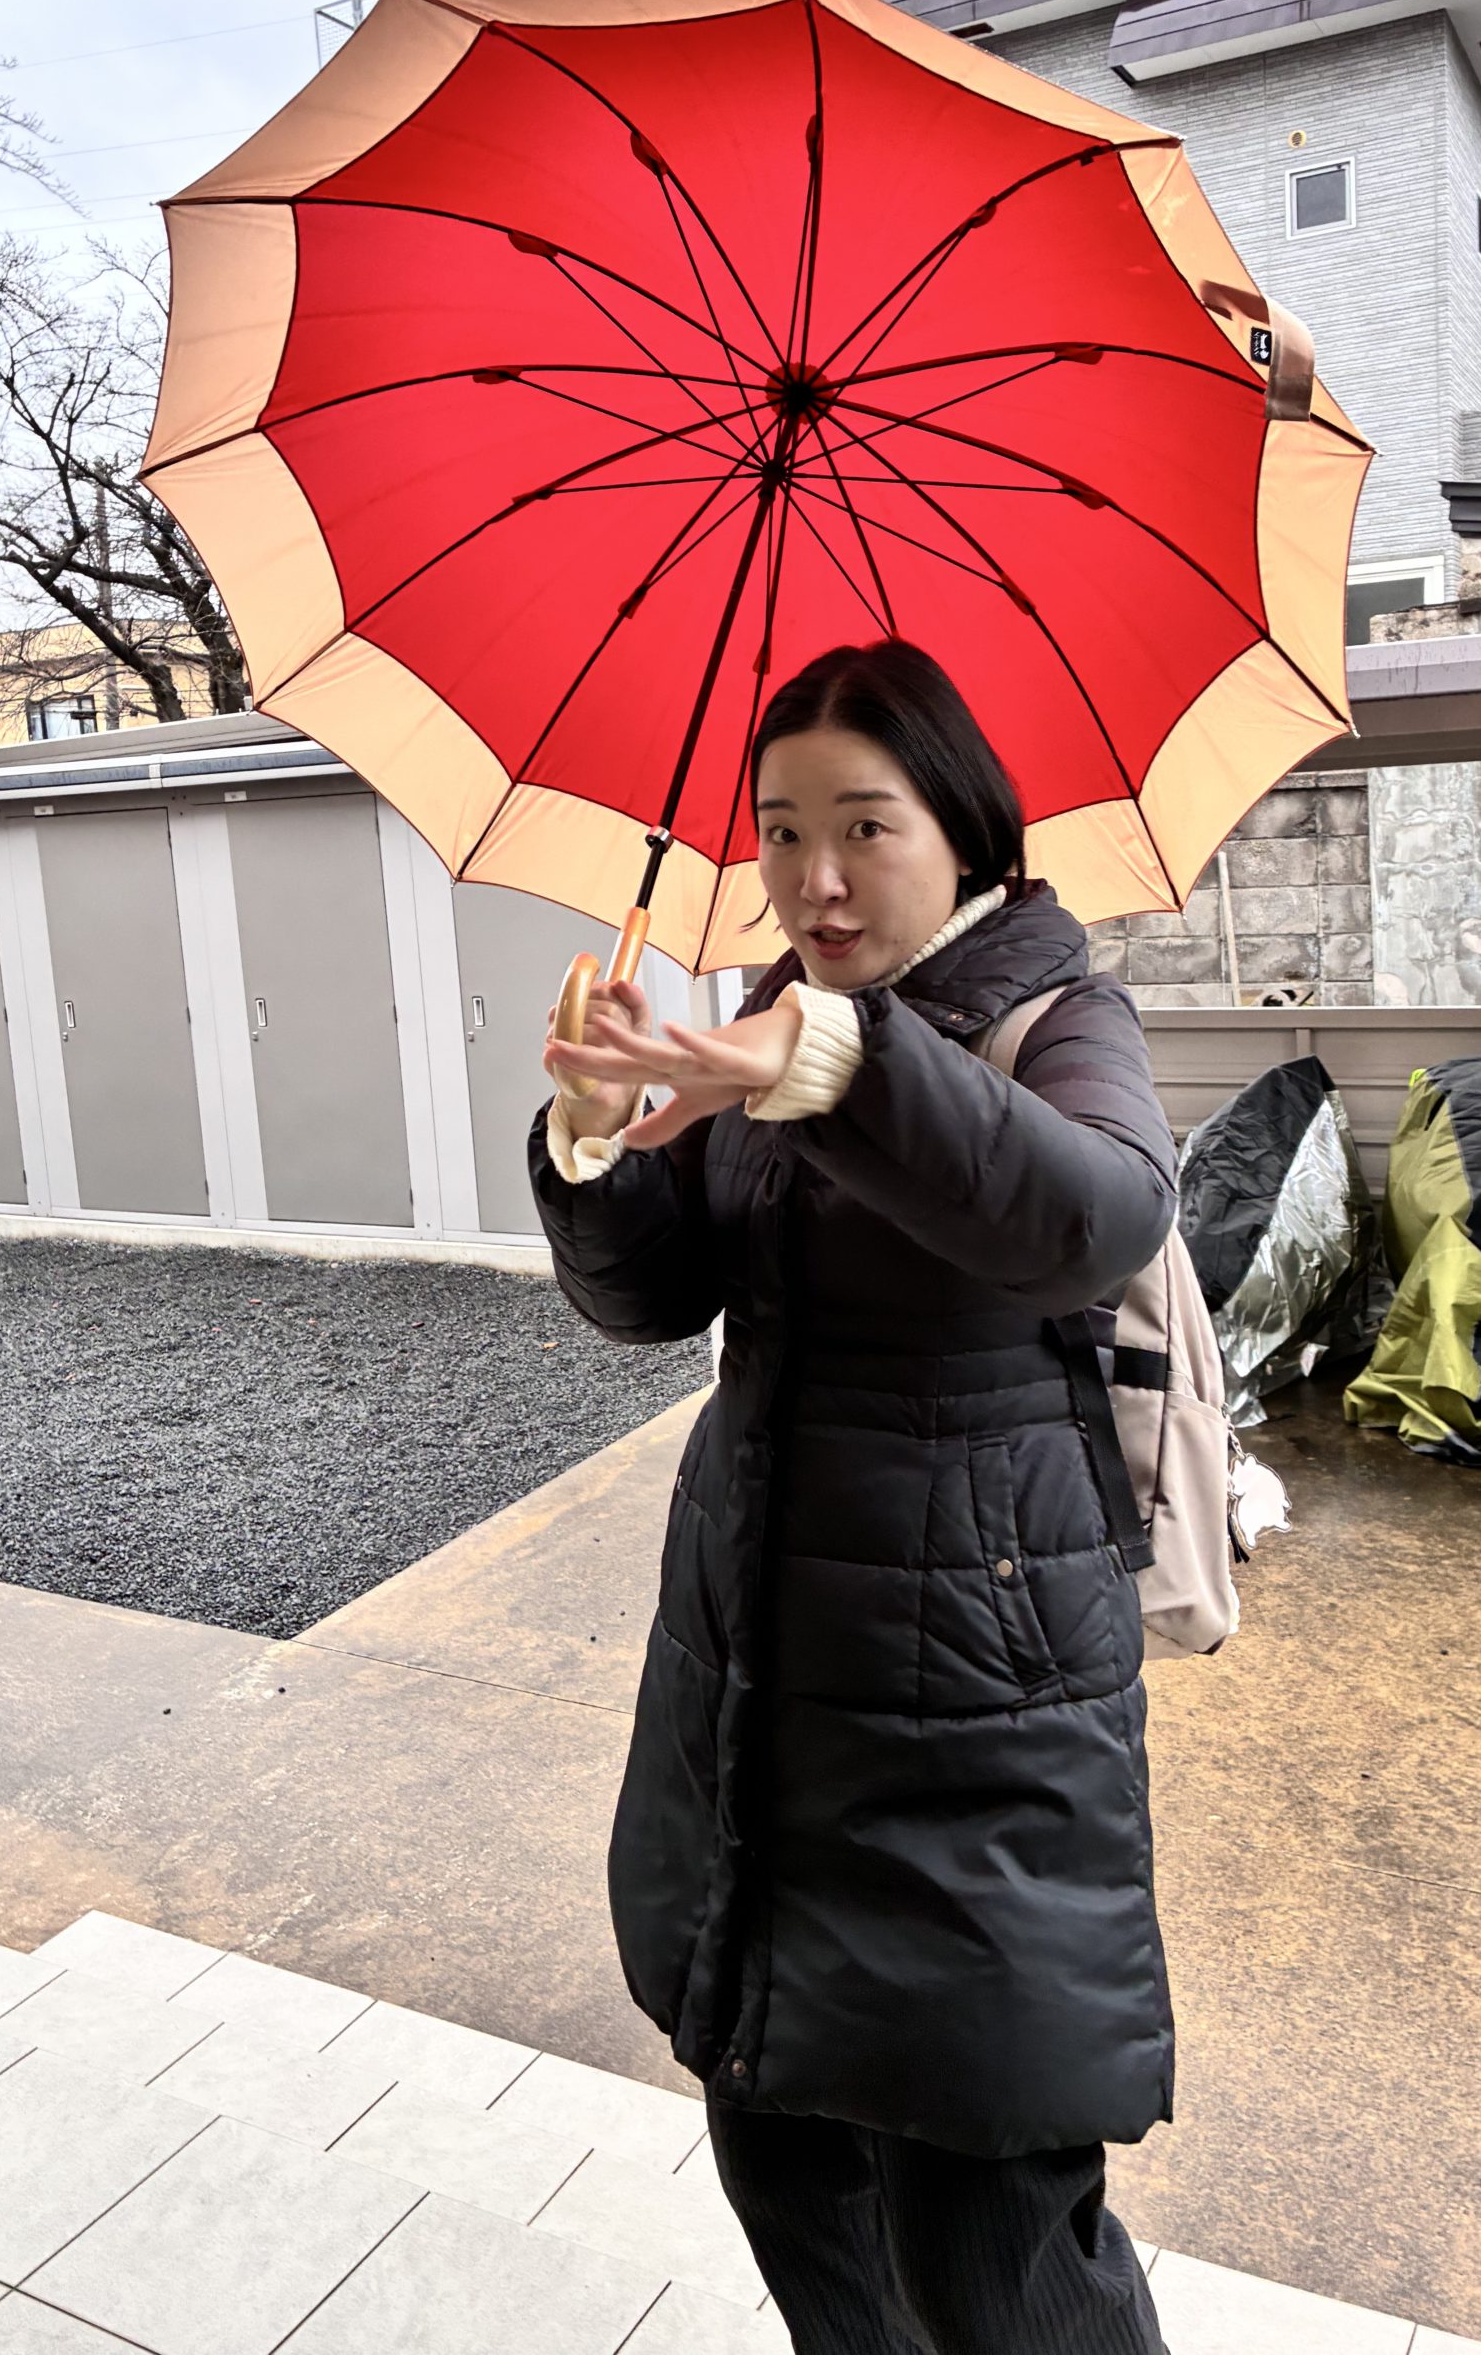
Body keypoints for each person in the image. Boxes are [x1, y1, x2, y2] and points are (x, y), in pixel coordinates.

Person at [534, 639, 1176, 2355]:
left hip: (972, 1703)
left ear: (961, 829)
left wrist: (830, 1061)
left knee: (996, 2253)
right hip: (757, 1684)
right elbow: (654, 1301)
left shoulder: (1061, 1016)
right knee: (793, 2180)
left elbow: (1098, 1218)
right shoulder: (757, 1023)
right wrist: (596, 1141)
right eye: (780, 828)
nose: (814, 878)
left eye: (865, 827)